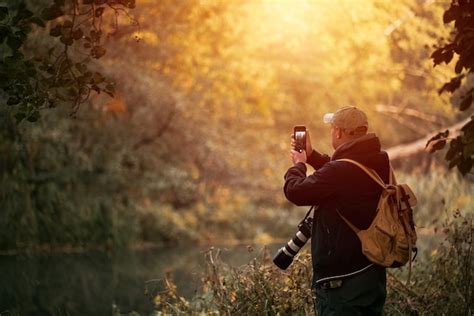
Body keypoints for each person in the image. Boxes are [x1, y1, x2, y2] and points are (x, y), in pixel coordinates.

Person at [284, 106, 389, 316]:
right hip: (371, 278)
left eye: (332, 129)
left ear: (339, 132)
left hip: (343, 287)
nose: (331, 132)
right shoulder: (378, 162)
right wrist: (312, 156)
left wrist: (299, 165)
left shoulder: (341, 171)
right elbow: (341, 172)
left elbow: (295, 192)